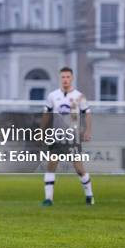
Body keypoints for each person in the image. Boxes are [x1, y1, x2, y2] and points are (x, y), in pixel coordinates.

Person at [41, 67, 94, 206]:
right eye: (63, 77)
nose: (65, 79)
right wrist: (42, 130)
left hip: (73, 136)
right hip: (57, 135)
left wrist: (88, 130)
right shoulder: (52, 96)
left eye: (68, 77)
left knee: (78, 168)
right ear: (60, 78)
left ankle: (89, 195)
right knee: (51, 164)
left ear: (72, 78)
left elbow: (87, 113)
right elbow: (47, 113)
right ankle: (48, 199)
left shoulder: (79, 96)